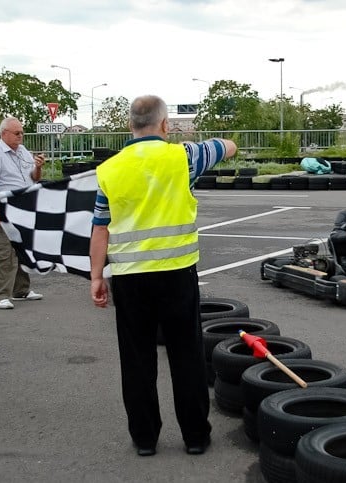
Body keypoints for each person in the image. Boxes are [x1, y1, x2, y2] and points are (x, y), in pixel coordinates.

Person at [90, 95, 237, 457]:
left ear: (130, 126)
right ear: (165, 125)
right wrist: (206, 145)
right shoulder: (184, 157)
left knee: (137, 360)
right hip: (176, 273)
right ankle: (195, 437)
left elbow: (100, 228)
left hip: (129, 278)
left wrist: (96, 276)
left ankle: (144, 439)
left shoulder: (110, 169)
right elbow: (229, 147)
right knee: (185, 355)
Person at [0, 118, 45, 309]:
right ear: (4, 133)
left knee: (22, 250)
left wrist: (38, 167)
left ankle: (21, 290)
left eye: (22, 133)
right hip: (5, 207)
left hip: (23, 208)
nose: (21, 136)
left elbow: (33, 178)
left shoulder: (23, 152)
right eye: (17, 133)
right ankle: (0, 296)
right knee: (3, 252)